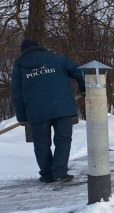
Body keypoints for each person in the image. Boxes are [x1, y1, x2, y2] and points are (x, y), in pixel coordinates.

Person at [12, 39, 86, 183]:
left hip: (37, 112)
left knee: (41, 144)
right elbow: (80, 72)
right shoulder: (57, 59)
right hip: (62, 108)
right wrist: (84, 88)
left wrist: (22, 117)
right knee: (63, 141)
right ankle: (59, 172)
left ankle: (47, 175)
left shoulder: (19, 68)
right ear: (40, 47)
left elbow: (17, 94)